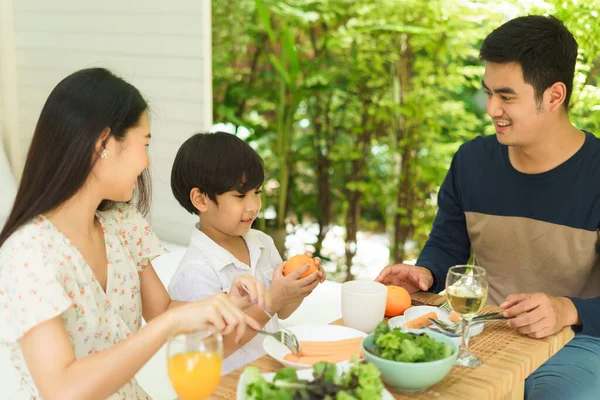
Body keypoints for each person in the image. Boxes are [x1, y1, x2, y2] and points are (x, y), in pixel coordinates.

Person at [0, 68, 269, 400]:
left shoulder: (120, 224)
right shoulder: (29, 253)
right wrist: (168, 326)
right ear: (104, 145)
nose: (145, 162)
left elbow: (164, 311)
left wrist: (228, 302)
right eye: (144, 143)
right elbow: (61, 390)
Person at [376, 15, 600, 399]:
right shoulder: (471, 161)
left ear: (554, 96)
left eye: (506, 96)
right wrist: (425, 273)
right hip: (478, 328)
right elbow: (447, 246)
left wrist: (567, 310)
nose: (491, 108)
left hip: (577, 339)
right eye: (488, 92)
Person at [168, 132, 325, 374]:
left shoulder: (261, 243)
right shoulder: (195, 273)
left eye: (257, 192)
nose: (253, 206)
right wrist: (273, 301)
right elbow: (214, 348)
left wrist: (297, 289)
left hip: (271, 369)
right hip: (229, 384)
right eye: (240, 196)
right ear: (200, 199)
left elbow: (282, 311)